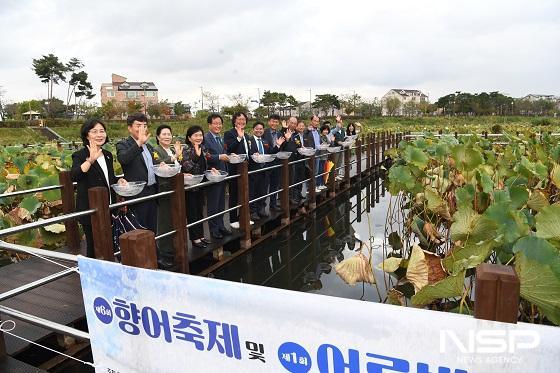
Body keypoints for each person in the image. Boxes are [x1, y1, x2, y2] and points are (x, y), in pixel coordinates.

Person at [71, 119, 124, 258]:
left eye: (102, 131)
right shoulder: (80, 155)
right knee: (93, 245)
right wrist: (90, 160)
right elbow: (75, 176)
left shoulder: (107, 154)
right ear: (87, 135)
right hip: (90, 209)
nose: (99, 135)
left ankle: (109, 271)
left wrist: (120, 180)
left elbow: (109, 178)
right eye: (94, 131)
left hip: (108, 206)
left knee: (109, 242)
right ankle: (92, 275)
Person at [116, 113, 158, 233]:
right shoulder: (123, 144)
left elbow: (152, 165)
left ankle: (153, 250)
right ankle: (143, 252)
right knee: (139, 229)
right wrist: (138, 143)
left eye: (144, 125)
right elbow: (123, 159)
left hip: (152, 192)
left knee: (153, 227)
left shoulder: (149, 146)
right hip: (137, 193)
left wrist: (160, 164)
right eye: (138, 125)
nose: (142, 129)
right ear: (129, 128)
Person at [152, 124, 183, 266]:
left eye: (169, 134)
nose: (167, 137)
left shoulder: (171, 150)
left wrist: (177, 156)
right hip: (164, 189)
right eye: (164, 134)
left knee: (174, 219)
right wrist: (175, 156)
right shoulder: (156, 150)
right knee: (164, 221)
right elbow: (158, 164)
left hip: (175, 189)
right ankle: (165, 251)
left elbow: (178, 164)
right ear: (158, 137)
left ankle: (174, 247)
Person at [180, 125, 213, 249]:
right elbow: (187, 167)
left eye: (200, 135)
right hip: (190, 186)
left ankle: (201, 235)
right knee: (192, 212)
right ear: (189, 137)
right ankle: (194, 238)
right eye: (195, 135)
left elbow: (205, 164)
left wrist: (211, 169)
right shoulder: (186, 150)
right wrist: (196, 156)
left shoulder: (203, 148)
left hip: (201, 185)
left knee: (199, 212)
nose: (199, 137)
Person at [204, 114, 232, 240]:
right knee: (213, 204)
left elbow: (223, 153)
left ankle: (221, 225)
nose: (218, 126)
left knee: (221, 203)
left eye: (220, 123)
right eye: (215, 123)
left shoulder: (220, 138)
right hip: (213, 175)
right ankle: (213, 229)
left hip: (222, 174)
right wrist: (220, 157)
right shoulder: (206, 138)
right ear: (209, 124)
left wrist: (230, 155)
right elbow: (206, 156)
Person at [248, 121, 282, 221]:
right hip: (254, 170)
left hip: (264, 170)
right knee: (253, 192)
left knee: (262, 190)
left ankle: (261, 209)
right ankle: (253, 212)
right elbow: (247, 152)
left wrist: (278, 146)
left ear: (263, 130)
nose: (259, 130)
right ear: (253, 129)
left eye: (261, 129)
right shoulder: (249, 141)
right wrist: (252, 154)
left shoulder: (264, 141)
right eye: (257, 129)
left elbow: (270, 152)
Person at [223, 112, 252, 227]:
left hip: (246, 167)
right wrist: (239, 138)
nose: (242, 121)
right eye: (239, 119)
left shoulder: (247, 135)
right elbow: (229, 148)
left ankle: (244, 216)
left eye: (244, 119)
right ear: (234, 121)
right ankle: (233, 219)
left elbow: (247, 150)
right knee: (234, 193)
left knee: (245, 192)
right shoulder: (229, 133)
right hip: (235, 168)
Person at [262, 114, 283, 211]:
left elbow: (282, 147)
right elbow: (268, 149)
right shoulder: (263, 133)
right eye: (273, 121)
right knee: (264, 185)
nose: (274, 123)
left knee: (275, 184)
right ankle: (262, 207)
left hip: (277, 162)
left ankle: (273, 204)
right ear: (269, 122)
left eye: (276, 122)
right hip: (267, 162)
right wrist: (277, 146)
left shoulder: (279, 134)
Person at [304, 115, 322, 193]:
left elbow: (318, 141)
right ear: (311, 121)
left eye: (317, 121)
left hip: (317, 153)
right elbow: (304, 137)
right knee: (310, 171)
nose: (316, 122)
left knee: (316, 171)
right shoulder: (307, 130)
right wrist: (307, 130)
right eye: (314, 121)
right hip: (310, 154)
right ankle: (309, 188)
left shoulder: (318, 131)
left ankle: (313, 187)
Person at [330, 115, 346, 180]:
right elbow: (332, 138)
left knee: (339, 162)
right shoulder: (333, 130)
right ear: (337, 123)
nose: (340, 123)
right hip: (336, 148)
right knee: (335, 162)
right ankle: (333, 175)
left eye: (341, 121)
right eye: (339, 122)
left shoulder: (343, 130)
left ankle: (337, 174)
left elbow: (344, 138)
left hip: (341, 148)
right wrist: (337, 142)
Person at [317, 124, 332, 190]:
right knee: (319, 170)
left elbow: (329, 143)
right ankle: (318, 184)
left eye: (327, 130)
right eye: (324, 130)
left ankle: (322, 184)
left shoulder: (326, 137)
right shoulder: (319, 137)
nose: (326, 131)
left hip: (325, 156)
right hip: (320, 156)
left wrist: (328, 137)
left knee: (323, 170)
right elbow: (319, 145)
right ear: (322, 130)